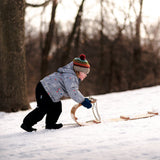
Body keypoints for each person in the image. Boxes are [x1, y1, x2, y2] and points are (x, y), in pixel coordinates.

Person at [21, 54, 92, 132]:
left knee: (56, 108)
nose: (86, 75)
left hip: (51, 93)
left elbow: (71, 89)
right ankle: (26, 124)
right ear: (78, 70)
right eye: (85, 72)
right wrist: (83, 101)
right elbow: (72, 91)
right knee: (42, 109)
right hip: (44, 89)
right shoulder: (70, 76)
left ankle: (50, 124)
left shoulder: (71, 75)